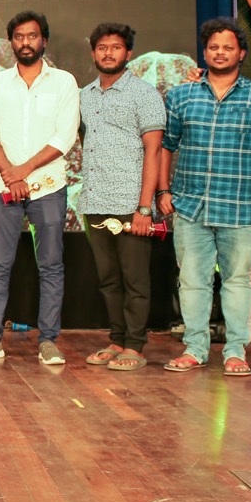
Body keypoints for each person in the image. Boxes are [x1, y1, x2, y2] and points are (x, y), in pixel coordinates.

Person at [158, 18, 251, 376]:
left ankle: (235, 352)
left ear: (241, 53)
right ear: (205, 52)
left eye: (228, 47)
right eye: (213, 47)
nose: (220, 52)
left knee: (237, 281)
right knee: (192, 282)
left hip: (243, 208)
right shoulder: (181, 95)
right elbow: (166, 145)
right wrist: (163, 190)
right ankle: (195, 348)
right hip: (190, 207)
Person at [0, 11, 79, 364]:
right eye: (18, 36)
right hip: (3, 187)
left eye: (32, 36)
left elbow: (65, 136)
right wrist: (10, 175)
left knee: (51, 266)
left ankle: (48, 341)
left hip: (48, 187)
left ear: (44, 40)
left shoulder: (64, 82)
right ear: (11, 41)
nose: (25, 42)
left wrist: (23, 172)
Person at [77, 23, 165, 371]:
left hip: (131, 204)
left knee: (135, 280)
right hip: (94, 201)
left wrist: (145, 206)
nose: (108, 53)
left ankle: (135, 346)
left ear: (128, 53)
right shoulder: (84, 95)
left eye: (116, 47)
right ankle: (116, 340)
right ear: (93, 53)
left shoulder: (144, 93)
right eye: (102, 47)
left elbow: (154, 151)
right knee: (108, 280)